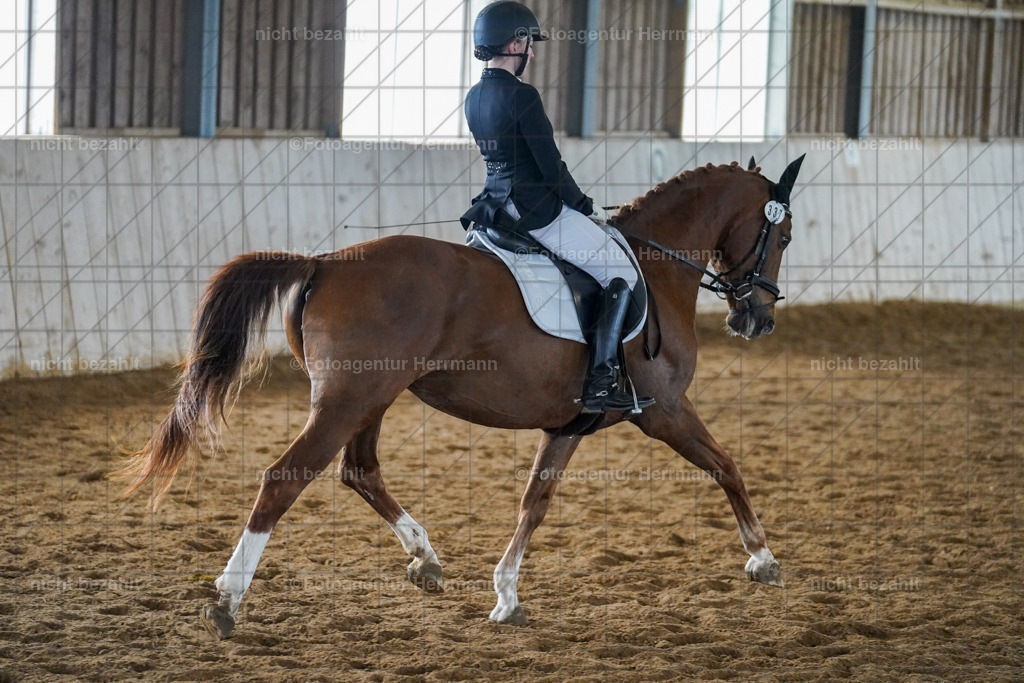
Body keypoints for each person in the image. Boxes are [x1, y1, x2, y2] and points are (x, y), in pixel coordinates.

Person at [461, 1, 654, 415]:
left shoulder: (474, 96)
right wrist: (585, 207)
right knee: (617, 269)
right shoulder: (523, 96)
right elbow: (550, 168)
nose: (532, 53)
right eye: (528, 44)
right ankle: (601, 382)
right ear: (515, 43)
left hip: (493, 209)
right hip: (535, 212)